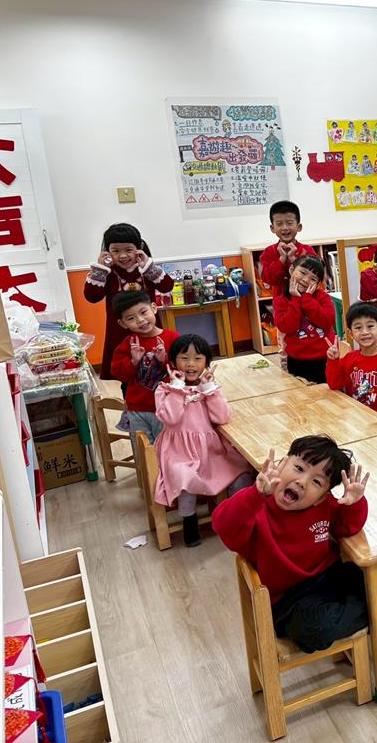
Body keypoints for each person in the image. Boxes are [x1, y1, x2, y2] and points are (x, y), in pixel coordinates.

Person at [212, 435, 377, 654]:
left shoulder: (322, 505)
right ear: (282, 464)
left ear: (322, 497)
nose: (302, 482)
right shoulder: (255, 507)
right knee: (316, 630)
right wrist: (255, 494)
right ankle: (376, 610)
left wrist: (354, 504)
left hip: (330, 577)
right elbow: (223, 525)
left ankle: (364, 610)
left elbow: (347, 527)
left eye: (317, 482)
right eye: (299, 468)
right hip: (289, 601)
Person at [154, 334, 253, 547]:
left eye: (198, 358)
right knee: (185, 479)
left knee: (241, 471)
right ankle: (189, 522)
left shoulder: (209, 388)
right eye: (184, 358)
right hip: (179, 451)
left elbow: (222, 417)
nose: (191, 364)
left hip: (211, 449)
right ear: (173, 362)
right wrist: (178, 388)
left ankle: (234, 516)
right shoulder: (165, 389)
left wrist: (210, 391)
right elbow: (171, 418)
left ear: (207, 363)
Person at [83, 223, 173, 381]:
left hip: (149, 328)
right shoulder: (108, 273)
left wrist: (150, 267)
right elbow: (92, 297)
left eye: (128, 250)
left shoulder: (146, 269)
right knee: (126, 373)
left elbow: (167, 287)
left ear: (138, 248)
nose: (123, 255)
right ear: (107, 251)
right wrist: (100, 270)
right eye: (116, 251)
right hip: (119, 331)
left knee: (156, 370)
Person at [109, 291, 180, 447]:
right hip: (137, 409)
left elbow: (183, 371)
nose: (140, 320)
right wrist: (133, 362)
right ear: (122, 323)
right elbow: (118, 373)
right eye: (131, 318)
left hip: (167, 408)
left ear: (154, 308)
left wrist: (164, 360)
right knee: (142, 451)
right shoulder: (128, 344)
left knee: (168, 449)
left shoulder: (173, 338)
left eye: (143, 312)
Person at [325, 303, 377, 420]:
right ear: (351, 333)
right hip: (353, 417)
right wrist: (333, 361)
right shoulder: (349, 358)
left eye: (370, 326)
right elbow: (334, 385)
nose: (364, 332)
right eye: (358, 328)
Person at [273, 256, 335, 384]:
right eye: (302, 272)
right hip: (297, 359)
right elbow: (287, 327)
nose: (306, 280)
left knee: (328, 393)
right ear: (291, 269)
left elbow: (327, 321)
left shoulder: (322, 297)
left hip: (325, 357)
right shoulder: (281, 300)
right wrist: (296, 299)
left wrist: (307, 299)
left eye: (313, 279)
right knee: (300, 394)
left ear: (318, 284)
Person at [258, 201, 316, 293]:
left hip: (305, 299)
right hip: (280, 301)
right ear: (272, 228)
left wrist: (294, 260)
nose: (285, 228)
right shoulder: (269, 251)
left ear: (299, 227)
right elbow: (269, 280)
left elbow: (315, 277)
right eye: (279, 224)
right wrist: (281, 259)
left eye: (289, 223)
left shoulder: (307, 250)